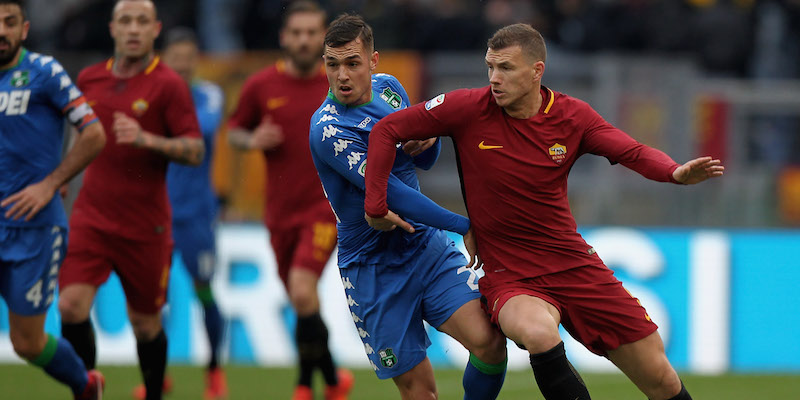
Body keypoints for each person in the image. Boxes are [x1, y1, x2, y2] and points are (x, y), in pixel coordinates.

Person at [364, 23, 725, 400]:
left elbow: (630, 151)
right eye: (490, 67)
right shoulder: (467, 108)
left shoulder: (573, 117)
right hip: (512, 275)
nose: (494, 78)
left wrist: (674, 172)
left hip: (573, 263)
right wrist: (375, 204)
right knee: (538, 333)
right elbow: (386, 130)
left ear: (537, 71)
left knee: (661, 379)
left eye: (505, 68)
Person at [310, 14, 508, 400]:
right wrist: (463, 224)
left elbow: (423, 159)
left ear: (373, 60)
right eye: (333, 65)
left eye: (352, 63)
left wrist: (429, 140)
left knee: (490, 344)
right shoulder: (328, 128)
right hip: (373, 271)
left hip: (424, 249)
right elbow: (390, 193)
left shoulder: (390, 90)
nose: (342, 75)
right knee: (421, 392)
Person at [56, 1, 205, 400]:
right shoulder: (89, 78)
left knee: (145, 324)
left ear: (155, 29)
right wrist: (62, 176)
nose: (133, 29)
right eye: (126, 21)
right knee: (70, 306)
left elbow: (195, 149)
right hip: (92, 215)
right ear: (113, 28)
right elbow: (75, 132)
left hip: (146, 225)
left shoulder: (168, 84)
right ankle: (85, 389)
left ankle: (153, 393)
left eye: (142, 21)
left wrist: (146, 139)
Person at [226, 2, 352, 399]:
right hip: (278, 213)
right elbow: (234, 130)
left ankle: (303, 385)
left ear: (323, 37)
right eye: (296, 33)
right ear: (284, 37)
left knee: (301, 290)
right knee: (302, 300)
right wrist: (252, 140)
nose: (303, 40)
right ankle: (334, 381)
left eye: (311, 33)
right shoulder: (261, 85)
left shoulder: (338, 86)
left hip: (323, 209)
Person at [0, 1, 106, 398]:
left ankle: (85, 385)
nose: (1, 31)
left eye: (9, 23)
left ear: (24, 29)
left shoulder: (44, 72)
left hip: (34, 229)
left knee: (26, 343)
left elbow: (93, 133)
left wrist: (52, 181)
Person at [156, 27, 226, 400]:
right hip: (157, 213)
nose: (181, 65)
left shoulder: (209, 95)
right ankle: (157, 376)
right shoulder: (154, 97)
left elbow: (202, 129)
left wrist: (152, 133)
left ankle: (214, 370)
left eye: (187, 58)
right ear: (164, 60)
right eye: (175, 58)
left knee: (204, 290)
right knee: (154, 299)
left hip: (197, 214)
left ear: (196, 60)